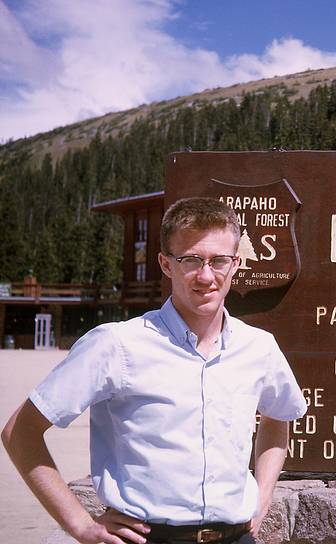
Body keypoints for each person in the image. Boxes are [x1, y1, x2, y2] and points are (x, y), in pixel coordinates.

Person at [2, 197, 307, 544]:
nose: (206, 275)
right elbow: (19, 432)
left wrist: (262, 497)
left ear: (235, 264)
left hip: (237, 537)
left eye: (219, 260)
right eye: (190, 260)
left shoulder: (259, 347)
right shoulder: (116, 345)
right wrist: (80, 524)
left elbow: (277, 417)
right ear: (165, 264)